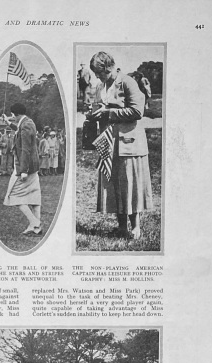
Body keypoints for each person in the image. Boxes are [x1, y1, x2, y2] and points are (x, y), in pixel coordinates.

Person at [88, 51, 153, 240]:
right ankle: (122, 227)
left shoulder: (127, 82)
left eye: (99, 72)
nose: (97, 76)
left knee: (129, 185)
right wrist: (94, 113)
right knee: (115, 185)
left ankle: (136, 227)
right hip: (110, 142)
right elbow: (103, 108)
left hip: (128, 143)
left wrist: (108, 113)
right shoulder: (102, 85)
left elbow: (137, 111)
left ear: (108, 68)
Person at [2, 103, 43, 236]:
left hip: (26, 166)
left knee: (13, 195)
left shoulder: (25, 125)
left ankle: (34, 222)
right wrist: (8, 122)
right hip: (32, 166)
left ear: (16, 114)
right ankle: (36, 228)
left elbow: (25, 149)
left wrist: (24, 170)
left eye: (12, 115)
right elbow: (19, 131)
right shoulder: (27, 122)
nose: (12, 117)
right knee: (34, 196)